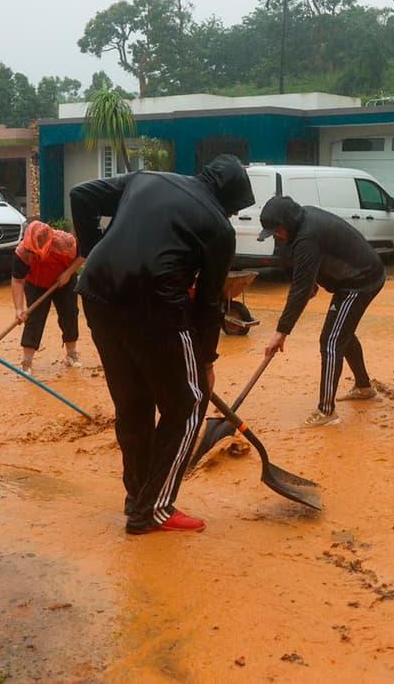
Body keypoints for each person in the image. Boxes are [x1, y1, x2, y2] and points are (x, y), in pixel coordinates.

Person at [70, 155, 254, 535]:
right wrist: (205, 363)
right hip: (155, 304)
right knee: (189, 402)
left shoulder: (147, 178)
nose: (232, 216)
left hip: (96, 292)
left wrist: (94, 251)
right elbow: (208, 303)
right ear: (230, 198)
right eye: (235, 209)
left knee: (132, 401)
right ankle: (153, 508)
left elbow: (81, 195)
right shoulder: (219, 229)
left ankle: (138, 496)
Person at [259, 195, 387, 428]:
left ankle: (326, 411)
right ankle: (364, 387)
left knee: (330, 340)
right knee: (341, 332)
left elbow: (299, 291)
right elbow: (289, 262)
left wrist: (281, 331)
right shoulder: (296, 227)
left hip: (361, 280)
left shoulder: (308, 236)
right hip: (349, 279)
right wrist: (309, 284)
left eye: (276, 231)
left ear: (287, 224)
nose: (275, 236)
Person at [11, 220, 83, 375]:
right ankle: (27, 362)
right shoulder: (22, 253)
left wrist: (68, 273)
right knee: (34, 318)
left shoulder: (66, 243)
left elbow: (83, 255)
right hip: (35, 284)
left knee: (69, 314)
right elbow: (17, 281)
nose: (33, 255)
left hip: (63, 281)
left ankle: (71, 354)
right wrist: (18, 309)